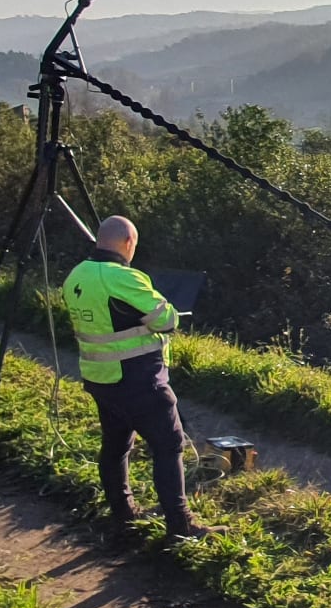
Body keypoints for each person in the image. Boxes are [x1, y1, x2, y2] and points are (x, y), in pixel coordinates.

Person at [62, 216, 220, 539]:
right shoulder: (124, 278)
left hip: (100, 378)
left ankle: (123, 515)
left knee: (116, 445)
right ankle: (181, 525)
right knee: (169, 443)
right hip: (138, 379)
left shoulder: (77, 275)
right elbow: (166, 319)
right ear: (128, 243)